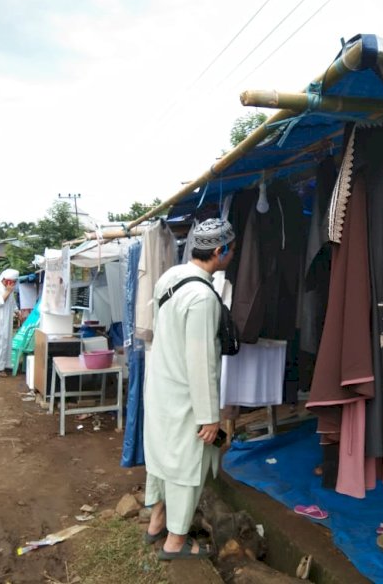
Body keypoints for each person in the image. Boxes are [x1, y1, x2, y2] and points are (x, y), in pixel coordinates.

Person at [143, 218, 236, 560]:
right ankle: (175, 543)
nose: (232, 254)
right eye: (231, 249)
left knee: (163, 458)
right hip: (185, 393)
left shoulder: (170, 278)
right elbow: (200, 361)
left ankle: (156, 524)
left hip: (162, 384)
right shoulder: (202, 297)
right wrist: (210, 416)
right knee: (187, 466)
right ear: (218, 251)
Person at [0, 268, 19, 377]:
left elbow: (12, 303)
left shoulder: (9, 289)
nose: (13, 284)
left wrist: (17, 311)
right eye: (11, 282)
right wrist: (8, 291)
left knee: (5, 342)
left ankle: (4, 365)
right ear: (5, 280)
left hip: (7, 321)